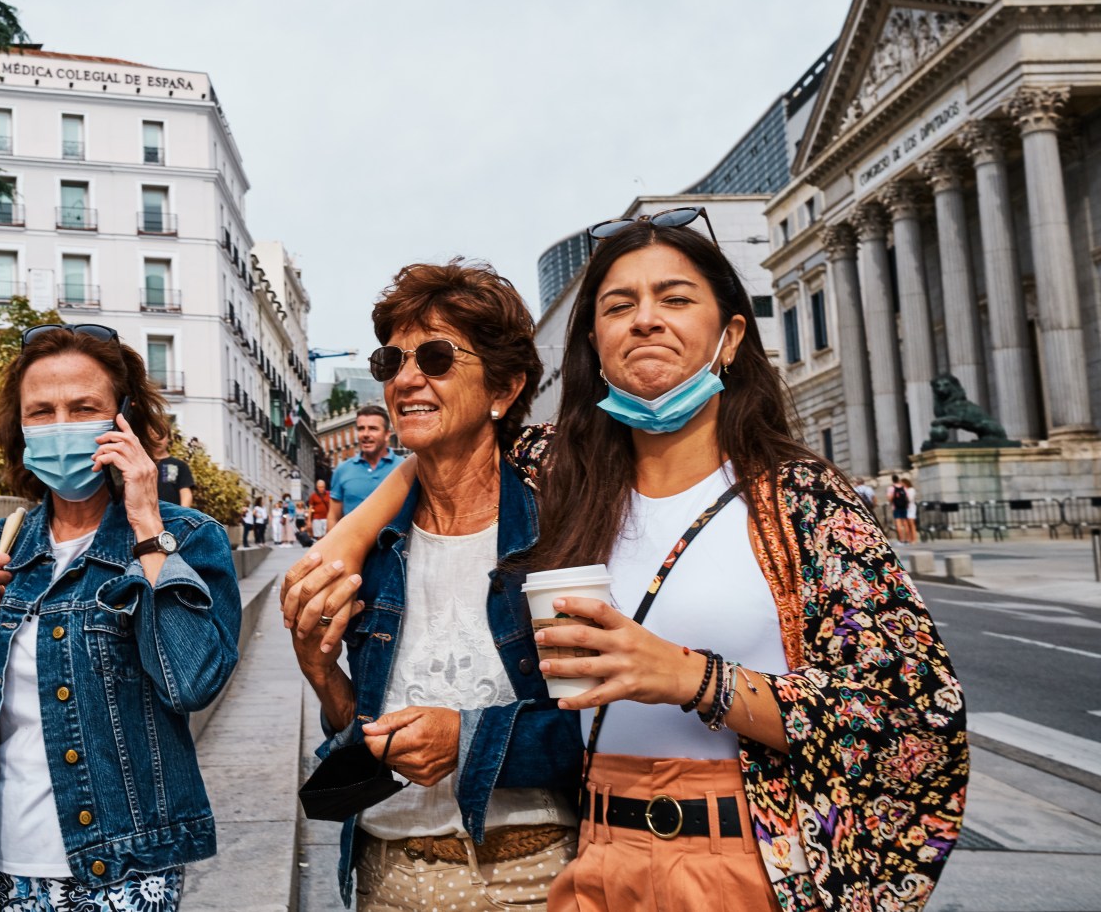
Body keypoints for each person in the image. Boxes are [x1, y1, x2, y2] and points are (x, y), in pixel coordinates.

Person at [289, 214, 968, 911]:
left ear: (730, 336)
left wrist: (688, 675)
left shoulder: (801, 500)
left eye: (674, 299)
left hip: (744, 861)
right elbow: (440, 449)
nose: (645, 321)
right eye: (618, 305)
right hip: (595, 863)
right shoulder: (564, 476)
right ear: (595, 343)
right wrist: (346, 538)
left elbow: (912, 718)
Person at [0, 322, 242, 911]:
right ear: (20, 428)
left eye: (84, 408)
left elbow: (192, 682)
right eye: (42, 412)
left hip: (124, 867)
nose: (62, 426)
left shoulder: (187, 538)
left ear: (124, 416)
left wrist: (149, 528)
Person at [287, 260, 582, 910]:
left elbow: (599, 732)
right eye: (392, 361)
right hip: (386, 876)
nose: (407, 378)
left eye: (438, 357)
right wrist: (321, 672)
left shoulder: (556, 530)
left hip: (532, 878)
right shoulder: (376, 548)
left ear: (504, 386)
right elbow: (363, 736)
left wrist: (467, 741)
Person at [327, 405, 401, 529]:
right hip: (352, 546)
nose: (365, 434)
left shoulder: (404, 467)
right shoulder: (342, 470)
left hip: (395, 547)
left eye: (373, 429)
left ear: (387, 434)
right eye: (361, 429)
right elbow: (333, 517)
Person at [889, 473, 913, 543]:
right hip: (904, 506)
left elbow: (890, 498)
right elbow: (907, 497)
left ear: (892, 480)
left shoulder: (891, 488)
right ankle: (908, 539)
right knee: (905, 523)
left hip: (896, 507)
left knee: (898, 523)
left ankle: (901, 540)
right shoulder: (904, 487)